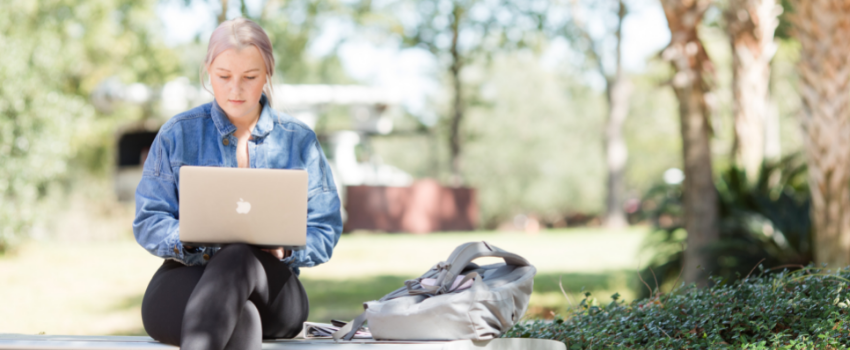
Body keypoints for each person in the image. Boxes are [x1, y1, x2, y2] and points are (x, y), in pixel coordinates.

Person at [133, 17, 342, 350]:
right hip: (188, 276)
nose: (235, 89)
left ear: (268, 73)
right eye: (224, 76)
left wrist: (284, 249)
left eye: (250, 77)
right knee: (240, 319)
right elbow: (148, 220)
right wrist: (186, 238)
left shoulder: (299, 141)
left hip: (272, 287)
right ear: (207, 72)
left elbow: (325, 229)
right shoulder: (177, 133)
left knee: (238, 257)